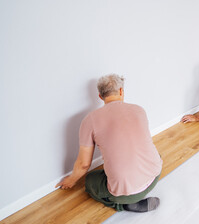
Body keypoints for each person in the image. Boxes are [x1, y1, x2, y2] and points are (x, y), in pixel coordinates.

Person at [56, 74, 163, 212]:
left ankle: (125, 204)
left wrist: (71, 180)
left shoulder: (90, 120)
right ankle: (133, 195)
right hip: (155, 174)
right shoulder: (139, 109)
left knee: (89, 181)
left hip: (129, 193)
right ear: (121, 91)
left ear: (100, 96)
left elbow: (84, 164)